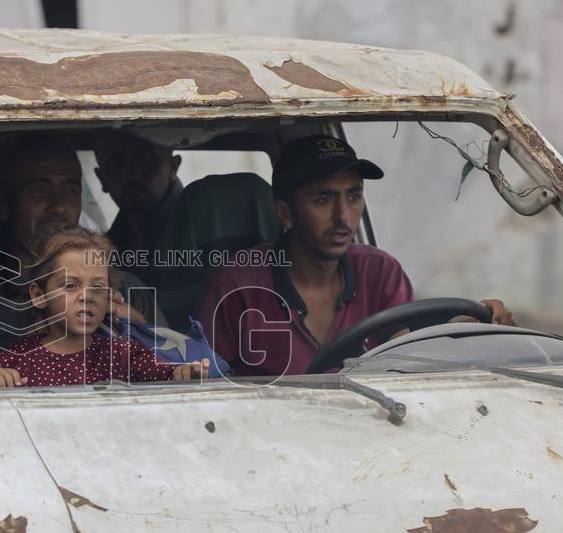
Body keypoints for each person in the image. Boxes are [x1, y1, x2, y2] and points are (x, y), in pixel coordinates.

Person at [195, 134, 515, 377]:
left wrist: (467, 332)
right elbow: (198, 379)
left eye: (353, 196)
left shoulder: (380, 271)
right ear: (284, 213)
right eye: (323, 199)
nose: (344, 217)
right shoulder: (237, 285)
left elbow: (406, 354)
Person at [0, 132, 161, 381]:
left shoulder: (129, 290)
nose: (59, 206)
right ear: (1, 205)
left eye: (70, 190)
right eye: (39, 190)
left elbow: (173, 376)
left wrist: (138, 328)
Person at [0, 225, 207, 388]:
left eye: (97, 287)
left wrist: (184, 373)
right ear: (39, 296)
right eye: (70, 285)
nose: (87, 296)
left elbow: (166, 374)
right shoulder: (16, 359)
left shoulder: (121, 354)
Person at [93, 129, 182, 254]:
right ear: (102, 179)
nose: (133, 172)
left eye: (146, 159)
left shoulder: (201, 234)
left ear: (173, 167)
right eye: (117, 163)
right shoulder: (103, 252)